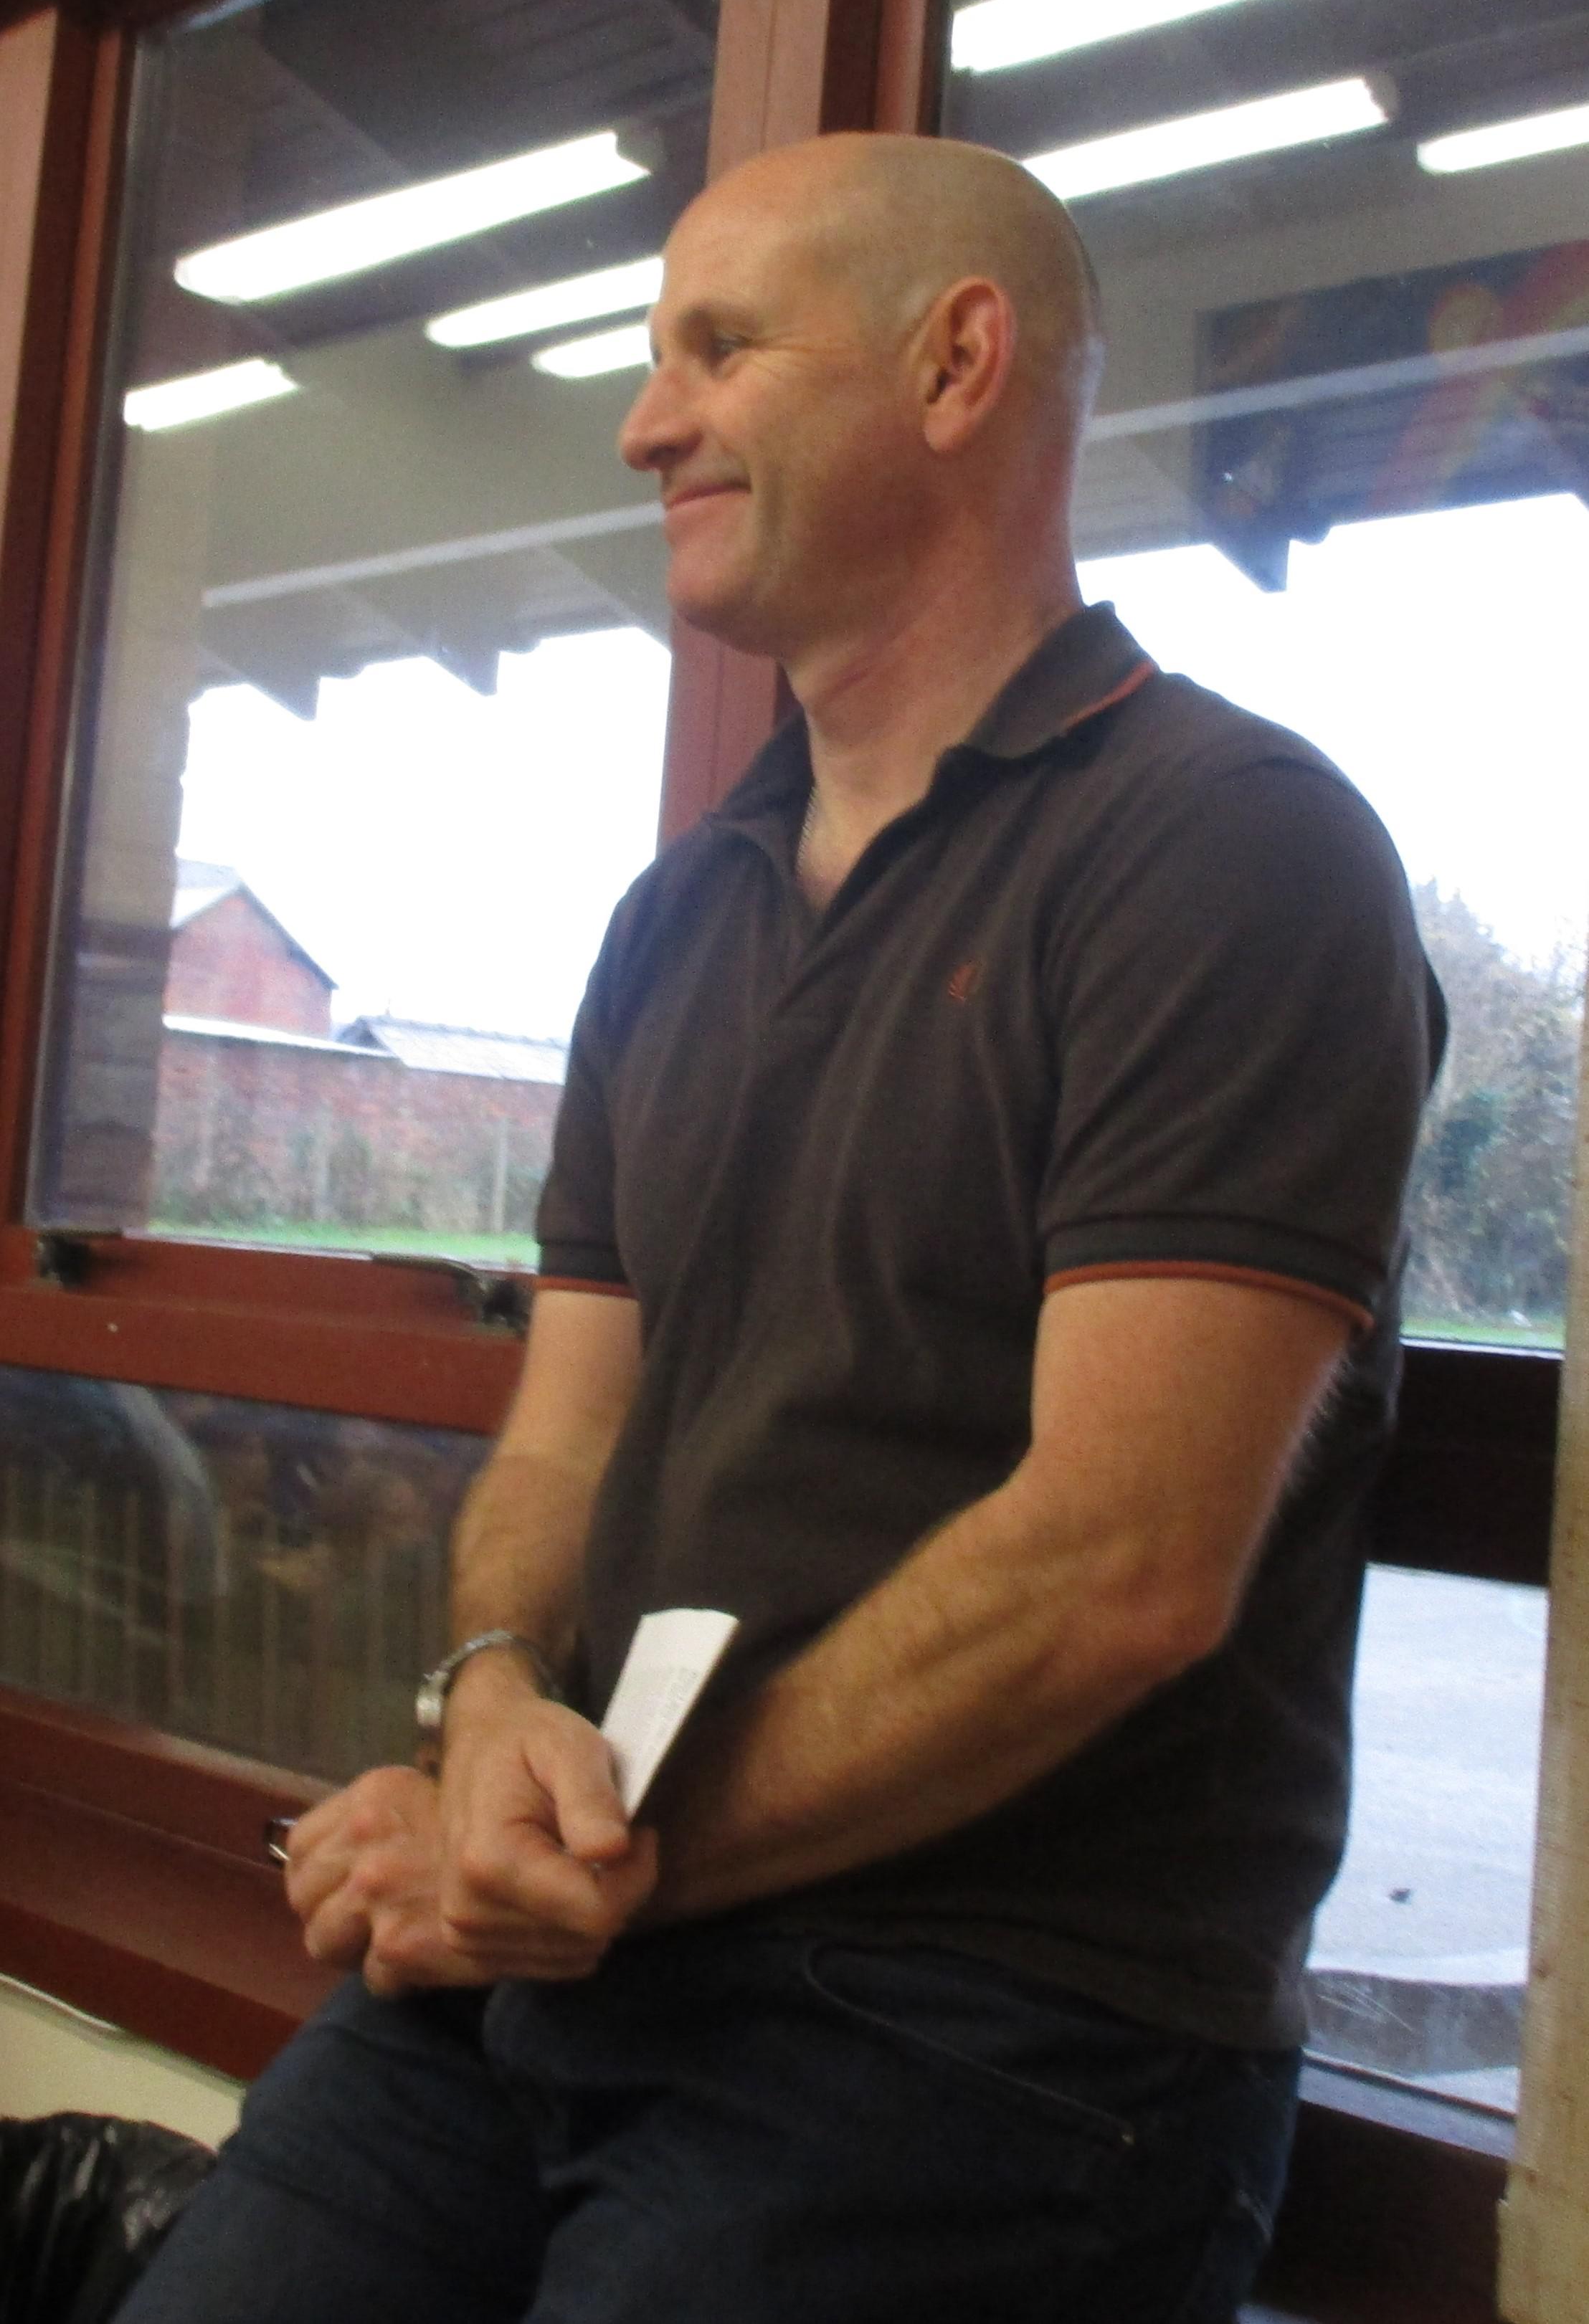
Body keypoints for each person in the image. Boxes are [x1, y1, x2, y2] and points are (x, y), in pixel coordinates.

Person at [117, 132, 1442, 2324]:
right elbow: (565, 1443)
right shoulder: (678, 913)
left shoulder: (1227, 850)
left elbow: (1118, 1570)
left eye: (719, 350)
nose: (646, 425)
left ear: (956, 363)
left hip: (990, 2025)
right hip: (578, 1946)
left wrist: (581, 1863)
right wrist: (488, 1700)